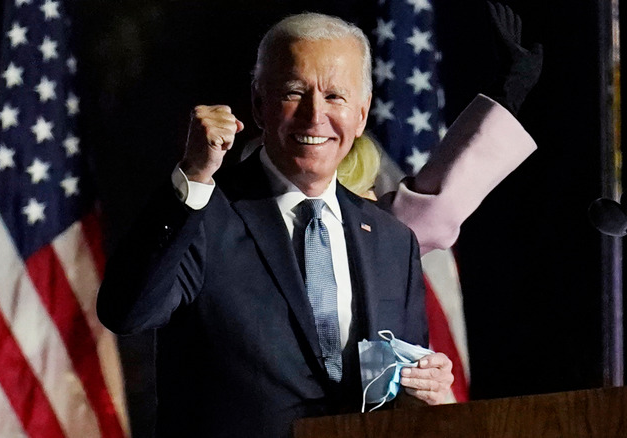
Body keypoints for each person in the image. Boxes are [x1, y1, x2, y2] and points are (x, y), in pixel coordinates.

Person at [98, 13, 454, 438]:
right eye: (294, 92)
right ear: (258, 104)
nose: (314, 115)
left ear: (361, 116)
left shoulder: (393, 241)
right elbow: (127, 312)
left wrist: (424, 386)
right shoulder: (204, 213)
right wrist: (194, 175)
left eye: (335, 97)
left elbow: (395, 389)